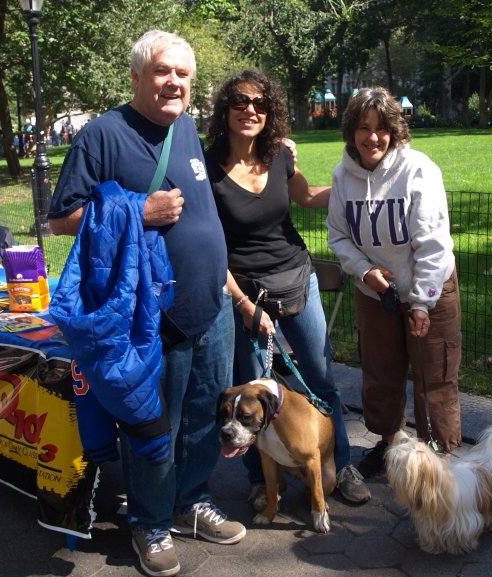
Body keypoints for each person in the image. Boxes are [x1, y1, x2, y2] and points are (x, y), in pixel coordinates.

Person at [47, 30, 243, 577]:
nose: (174, 82)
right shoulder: (103, 135)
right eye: (163, 71)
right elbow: (62, 219)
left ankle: (192, 502)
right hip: (150, 318)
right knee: (153, 426)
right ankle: (151, 525)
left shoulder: (186, 129)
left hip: (212, 307)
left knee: (206, 416)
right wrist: (137, 210)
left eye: (183, 73)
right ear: (136, 76)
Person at [204, 70, 371, 507]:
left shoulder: (280, 155)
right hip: (245, 294)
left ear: (270, 112)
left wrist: (363, 182)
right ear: (226, 108)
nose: (250, 110)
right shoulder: (207, 168)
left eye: (260, 104)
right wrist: (241, 304)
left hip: (297, 278)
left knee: (320, 380)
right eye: (240, 101)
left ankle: (342, 462)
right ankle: (261, 478)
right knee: (251, 389)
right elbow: (211, 247)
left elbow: (308, 197)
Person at [327, 86, 463, 478]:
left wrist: (421, 301)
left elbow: (434, 244)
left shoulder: (419, 170)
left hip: (429, 286)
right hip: (376, 293)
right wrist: (364, 269)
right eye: (363, 128)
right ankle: (389, 444)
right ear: (351, 131)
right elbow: (338, 235)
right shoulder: (343, 176)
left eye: (382, 128)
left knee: (433, 374)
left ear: (395, 131)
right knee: (380, 372)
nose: (373, 137)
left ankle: (436, 455)